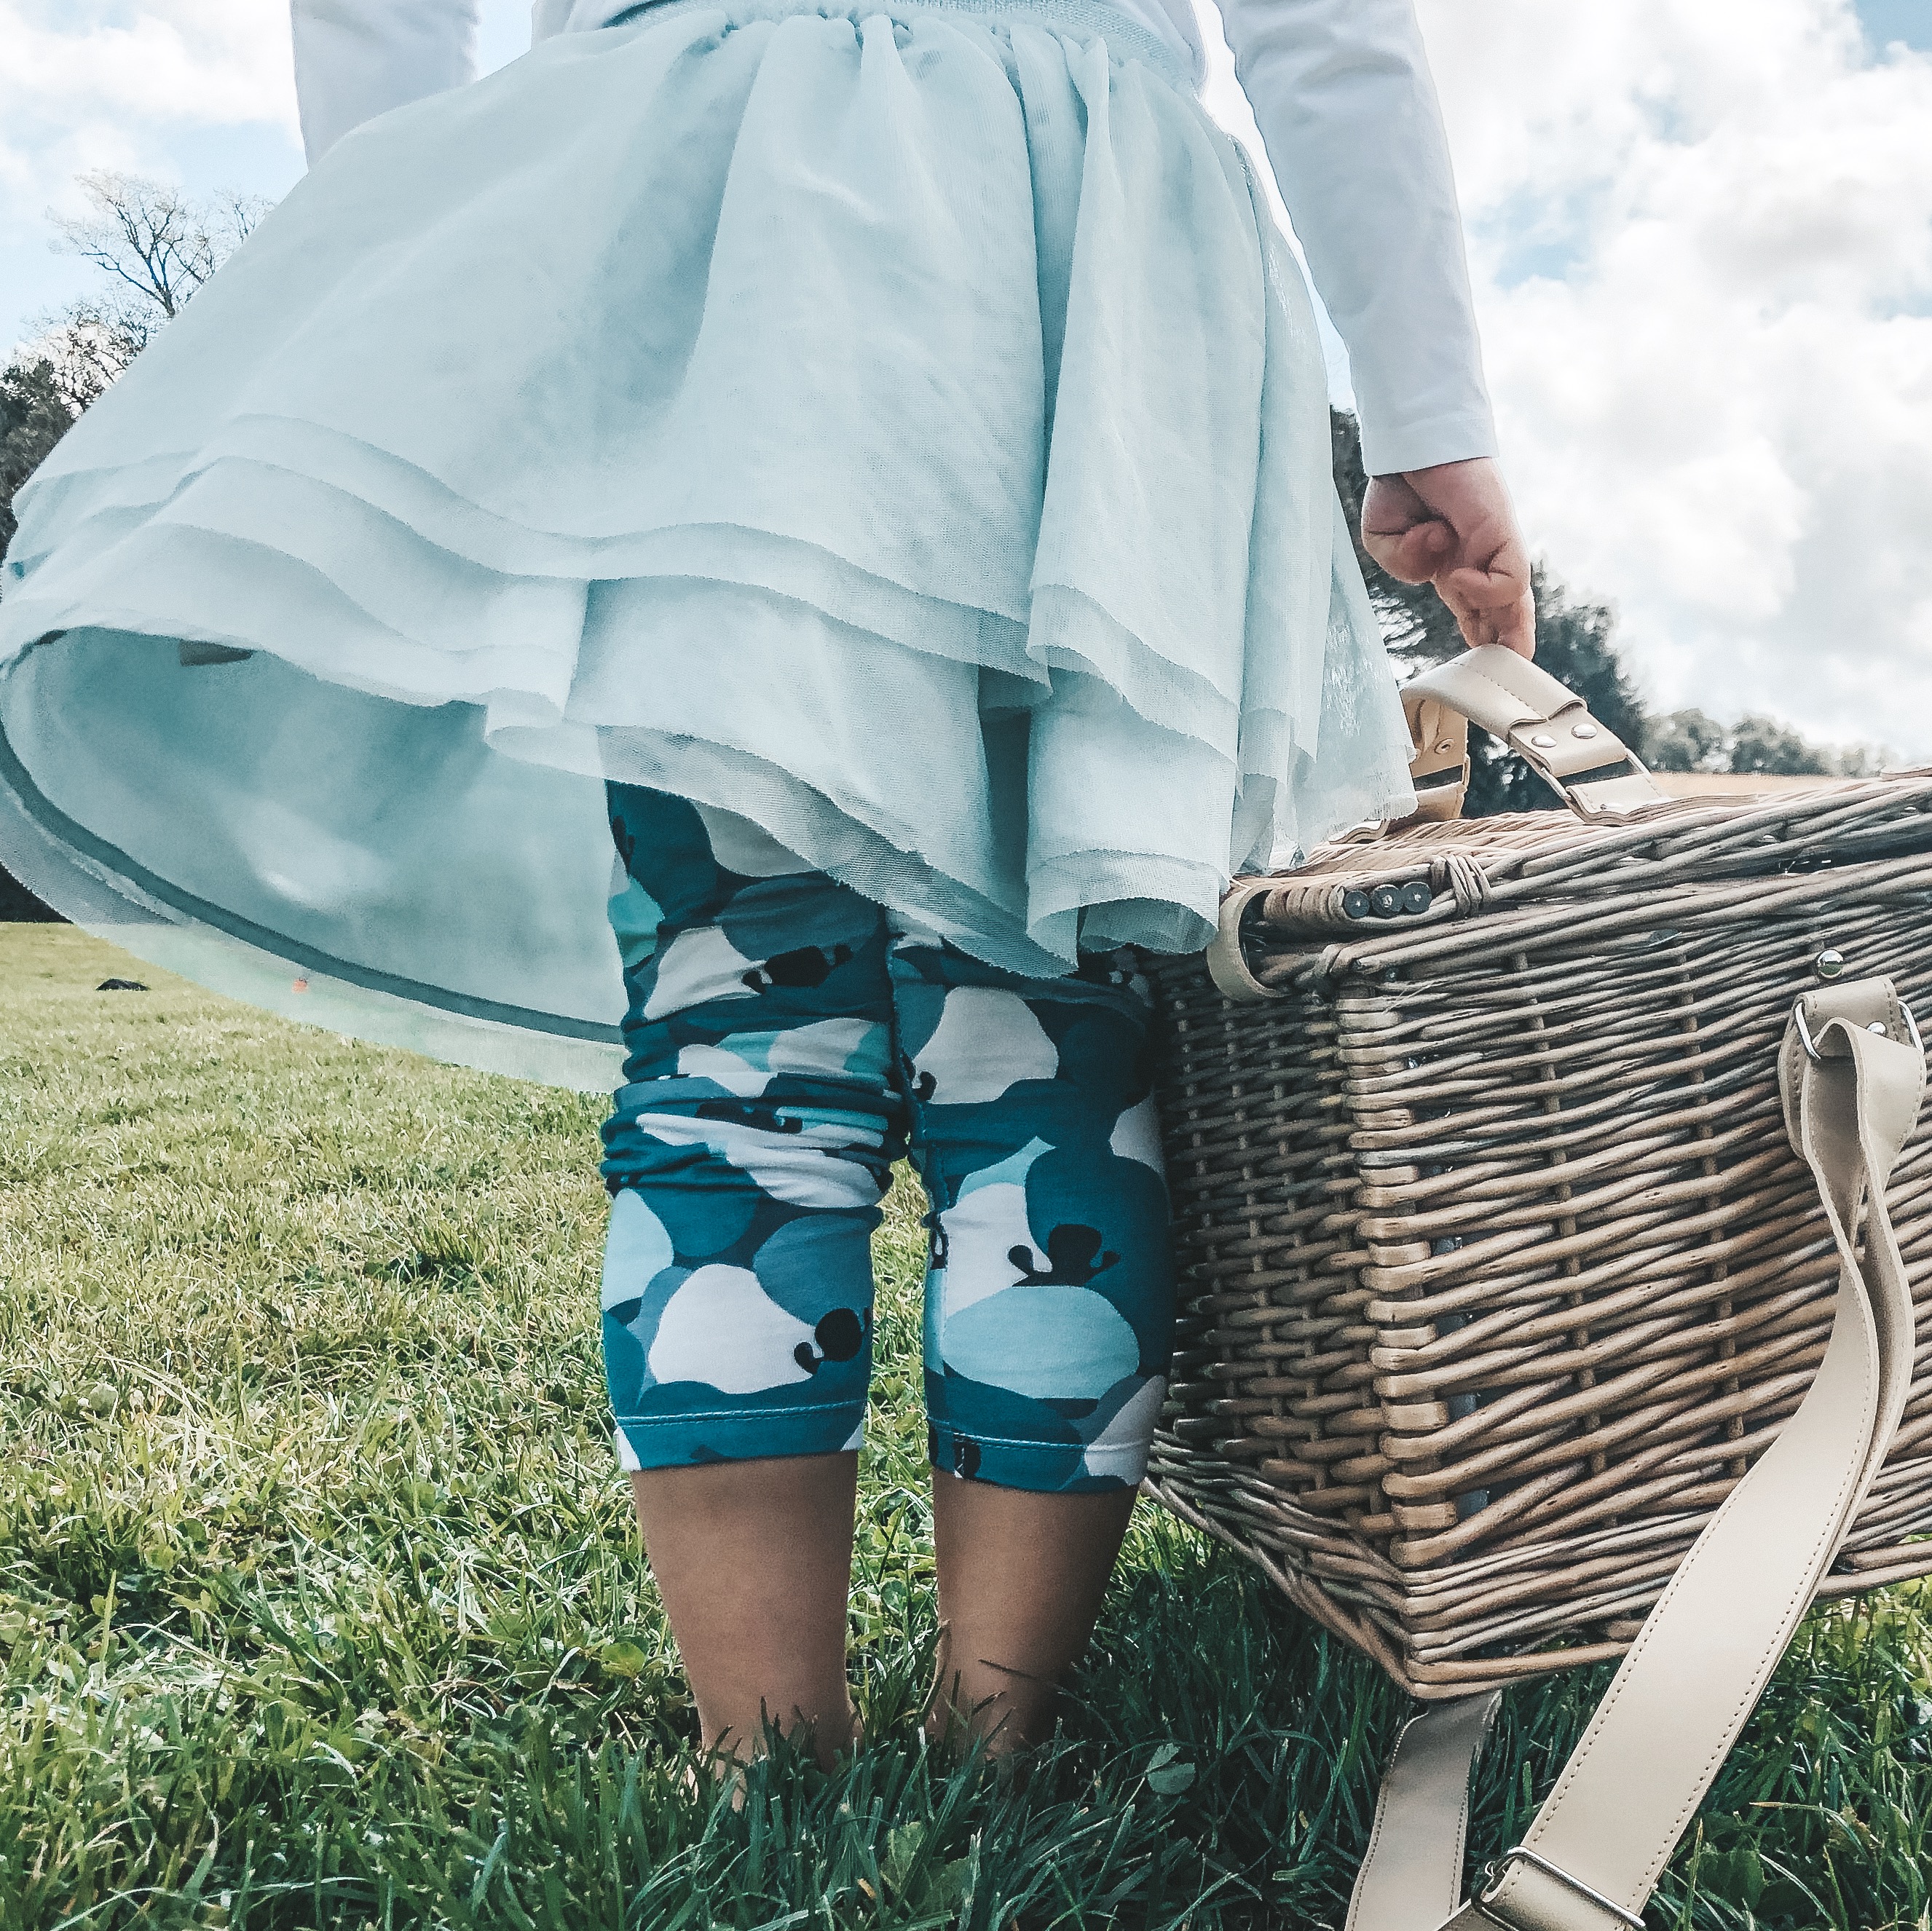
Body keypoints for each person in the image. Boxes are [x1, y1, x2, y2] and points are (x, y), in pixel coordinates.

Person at [0, 0, 1533, 1764]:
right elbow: (1321, 26)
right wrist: (1426, 408)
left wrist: (421, 264)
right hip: (1078, 267)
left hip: (703, 236)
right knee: (1045, 1027)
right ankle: (997, 1748)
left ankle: (766, 1761)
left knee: (741, 1014)